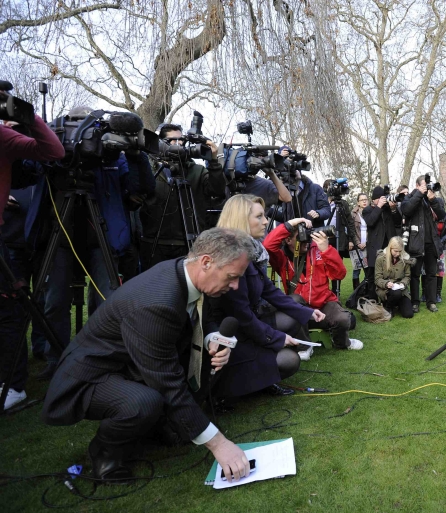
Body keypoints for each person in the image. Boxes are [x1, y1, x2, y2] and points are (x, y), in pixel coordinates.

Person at [41, 228, 255, 482]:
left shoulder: (186, 271)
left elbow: (200, 314)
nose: (236, 285)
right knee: (144, 402)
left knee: (170, 384)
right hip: (89, 376)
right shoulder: (157, 304)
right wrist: (219, 444)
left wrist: (211, 338)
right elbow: (167, 383)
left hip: (129, 364)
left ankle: (158, 427)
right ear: (206, 262)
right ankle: (105, 454)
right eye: (232, 276)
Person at [24, 106, 156, 381]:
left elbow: (138, 189)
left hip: (102, 238)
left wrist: (133, 155)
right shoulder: (55, 150)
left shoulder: (111, 155)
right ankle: (56, 359)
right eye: (71, 128)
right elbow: (28, 170)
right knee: (54, 301)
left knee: (106, 299)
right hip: (59, 235)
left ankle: (99, 357)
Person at [211, 195, 326, 396]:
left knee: (290, 328)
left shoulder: (251, 250)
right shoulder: (231, 258)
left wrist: (307, 313)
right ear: (241, 219)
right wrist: (277, 338)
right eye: (259, 216)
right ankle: (236, 387)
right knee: (289, 360)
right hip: (233, 338)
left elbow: (269, 290)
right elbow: (242, 316)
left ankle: (261, 375)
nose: (266, 221)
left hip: (249, 327)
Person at [0, 113, 64, 410]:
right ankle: (12, 383)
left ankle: (16, 379)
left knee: (17, 306)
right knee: (11, 311)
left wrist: (27, 122)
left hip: (29, 238)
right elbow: (51, 151)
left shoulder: (9, 139)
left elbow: (50, 156)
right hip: (10, 237)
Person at [263, 217, 364, 355]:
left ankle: (342, 342)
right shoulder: (281, 257)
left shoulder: (318, 249)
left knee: (343, 319)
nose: (306, 240)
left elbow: (339, 274)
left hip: (323, 305)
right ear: (288, 240)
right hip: (300, 309)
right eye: (301, 236)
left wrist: (327, 250)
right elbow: (268, 244)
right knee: (294, 300)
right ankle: (304, 347)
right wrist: (291, 224)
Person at [138, 123, 228, 270]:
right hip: (155, 243)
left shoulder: (197, 171)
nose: (179, 144)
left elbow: (218, 191)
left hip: (189, 244)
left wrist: (213, 161)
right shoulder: (151, 170)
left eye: (182, 140)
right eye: (173, 140)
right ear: (160, 143)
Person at [401, 176, 446, 313]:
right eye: (424, 185)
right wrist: (419, 194)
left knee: (431, 274)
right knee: (415, 275)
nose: (427, 188)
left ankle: (431, 302)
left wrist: (432, 200)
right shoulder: (409, 197)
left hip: (431, 243)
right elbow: (406, 210)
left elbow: (442, 215)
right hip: (416, 243)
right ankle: (415, 302)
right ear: (417, 185)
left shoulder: (433, 200)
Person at [362, 186, 399, 298]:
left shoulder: (388, 209)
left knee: (389, 272)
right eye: (380, 198)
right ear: (374, 199)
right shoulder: (367, 210)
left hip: (388, 246)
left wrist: (393, 209)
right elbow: (370, 222)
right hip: (375, 247)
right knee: (373, 275)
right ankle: (372, 299)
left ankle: (388, 298)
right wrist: (378, 207)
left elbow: (398, 222)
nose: (383, 200)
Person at [374, 236, 414, 319]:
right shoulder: (380, 259)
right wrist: (386, 283)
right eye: (396, 251)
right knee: (396, 293)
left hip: (401, 289)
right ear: (390, 248)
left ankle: (397, 304)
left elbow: (407, 276)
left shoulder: (405, 259)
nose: (398, 254)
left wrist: (403, 283)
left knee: (408, 314)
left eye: (400, 251)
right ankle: (388, 306)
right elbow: (377, 279)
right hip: (386, 289)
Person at [350, 192, 369, 289]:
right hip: (356, 246)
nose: (364, 201)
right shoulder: (353, 214)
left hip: (368, 245)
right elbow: (351, 230)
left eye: (366, 199)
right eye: (362, 200)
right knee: (356, 270)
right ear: (358, 202)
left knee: (367, 270)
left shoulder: (371, 212)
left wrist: (366, 243)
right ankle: (356, 292)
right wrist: (357, 243)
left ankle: (366, 291)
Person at [435, 211, 446, 303]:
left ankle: (438, 293)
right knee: (426, 270)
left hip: (441, 246)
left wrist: (440, 243)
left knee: (439, 270)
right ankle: (425, 293)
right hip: (429, 245)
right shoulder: (429, 214)